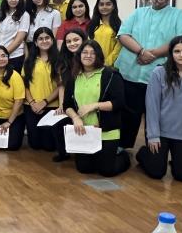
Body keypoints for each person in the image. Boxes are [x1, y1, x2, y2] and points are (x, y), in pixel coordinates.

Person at [115, 0, 182, 149]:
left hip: (160, 77)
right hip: (132, 74)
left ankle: (154, 149)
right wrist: (141, 51)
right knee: (129, 114)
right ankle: (124, 146)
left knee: (156, 115)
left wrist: (153, 54)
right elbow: (123, 35)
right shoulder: (138, 13)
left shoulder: (179, 15)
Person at [136, 36, 182, 181]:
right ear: (171, 54)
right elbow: (152, 106)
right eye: (177, 51)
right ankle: (143, 153)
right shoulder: (159, 73)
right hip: (161, 132)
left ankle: (176, 159)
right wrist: (153, 135)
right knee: (156, 172)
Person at [63, 41, 130, 177]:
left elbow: (119, 103)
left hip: (106, 130)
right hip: (83, 130)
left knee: (106, 171)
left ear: (98, 56)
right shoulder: (73, 76)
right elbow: (67, 105)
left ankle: (123, 155)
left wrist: (94, 105)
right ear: (79, 55)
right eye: (85, 52)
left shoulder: (111, 75)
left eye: (93, 53)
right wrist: (75, 118)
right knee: (84, 168)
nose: (88, 56)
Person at [51, 29, 87, 161]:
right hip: (70, 102)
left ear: (84, 40)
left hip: (87, 102)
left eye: (76, 40)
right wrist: (61, 105)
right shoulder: (63, 62)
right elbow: (62, 86)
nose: (72, 43)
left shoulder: (89, 59)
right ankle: (63, 152)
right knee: (58, 121)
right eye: (68, 41)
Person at [22, 27, 60, 151]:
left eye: (47, 38)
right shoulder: (29, 61)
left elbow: (61, 86)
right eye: (40, 39)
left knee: (50, 146)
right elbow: (24, 85)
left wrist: (44, 102)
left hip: (51, 106)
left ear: (52, 40)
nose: (44, 41)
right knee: (35, 145)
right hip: (31, 106)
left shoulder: (59, 60)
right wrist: (33, 103)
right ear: (35, 42)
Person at [87, 0, 121, 66]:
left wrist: (107, 63)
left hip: (110, 66)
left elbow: (118, 49)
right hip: (92, 64)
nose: (104, 7)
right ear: (98, 7)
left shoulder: (118, 25)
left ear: (113, 6)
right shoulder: (92, 25)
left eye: (108, 4)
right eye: (101, 4)